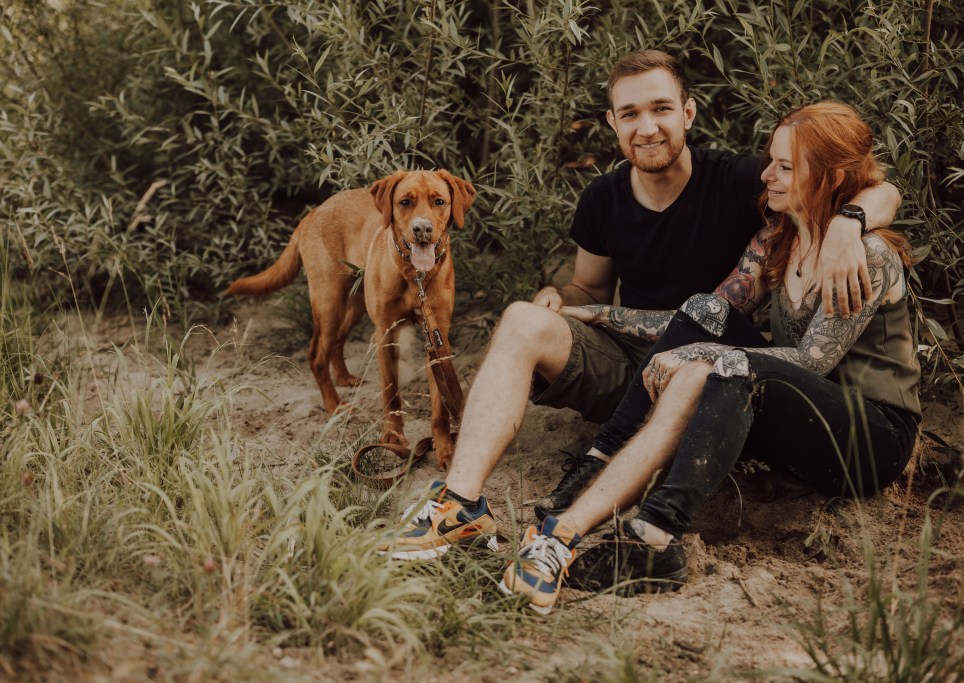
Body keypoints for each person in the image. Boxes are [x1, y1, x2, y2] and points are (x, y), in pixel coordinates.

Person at [378, 50, 900, 564]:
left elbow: (872, 183)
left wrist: (848, 221)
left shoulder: (744, 181)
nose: (647, 127)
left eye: (661, 109)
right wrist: (563, 303)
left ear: (688, 113)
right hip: (637, 364)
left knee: (703, 346)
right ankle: (460, 504)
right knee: (520, 318)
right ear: (613, 123)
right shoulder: (603, 200)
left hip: (711, 381)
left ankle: (597, 505)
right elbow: (591, 290)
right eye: (630, 114)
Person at [497, 101, 922, 613]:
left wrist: (704, 352)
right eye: (771, 161)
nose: (768, 175)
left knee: (729, 361)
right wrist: (598, 314)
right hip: (798, 427)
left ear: (829, 177)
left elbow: (812, 360)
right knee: (704, 310)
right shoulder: (777, 237)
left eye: (786, 167)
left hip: (868, 440)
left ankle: (657, 535)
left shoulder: (867, 256)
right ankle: (598, 461)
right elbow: (704, 316)